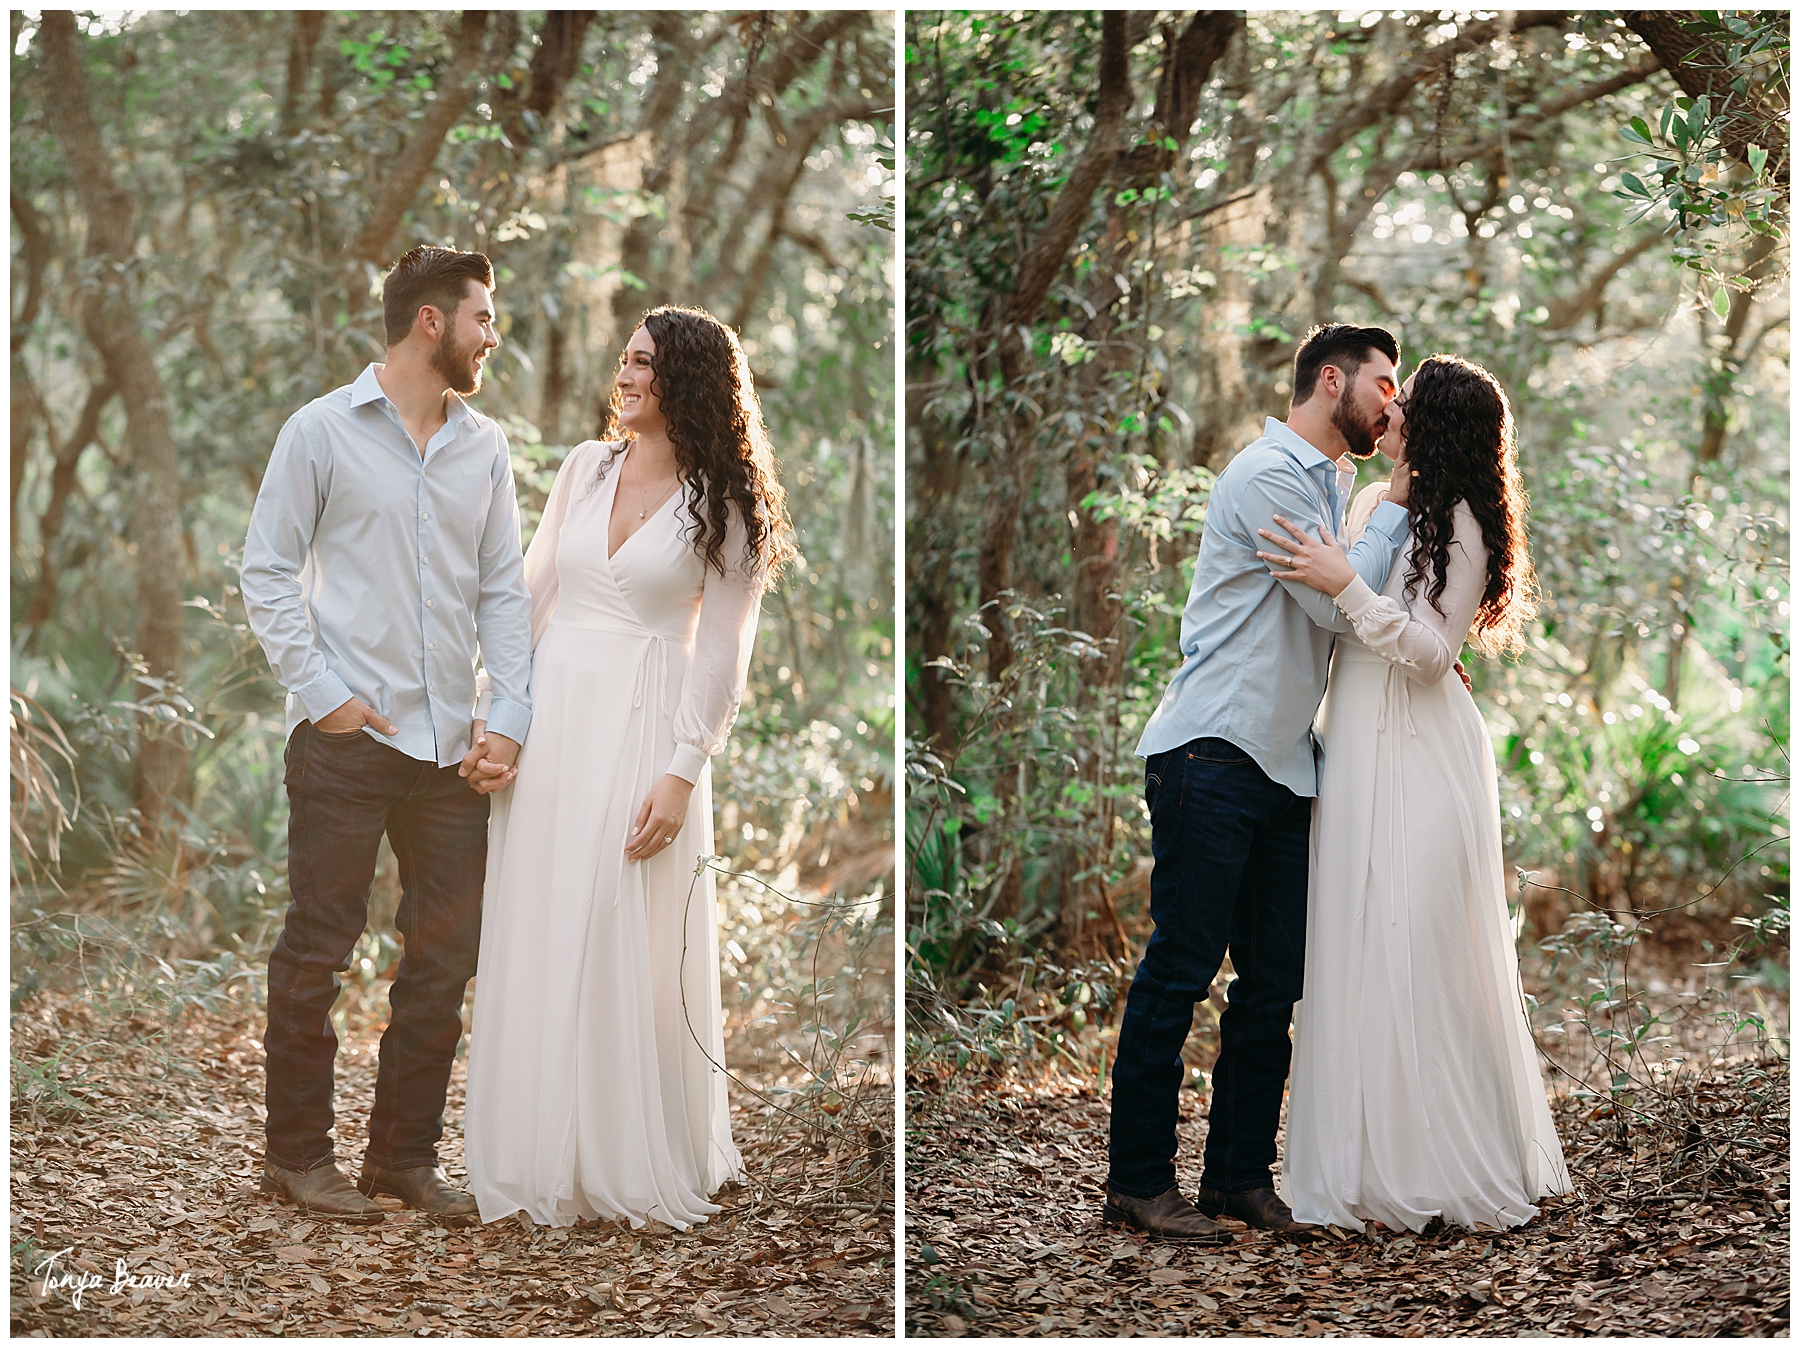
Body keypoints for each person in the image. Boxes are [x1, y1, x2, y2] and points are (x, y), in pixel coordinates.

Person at [462, 305, 792, 1230]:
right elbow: (532, 598)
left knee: (618, 924)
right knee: (541, 915)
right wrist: (499, 717)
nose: (625, 371)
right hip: (554, 723)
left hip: (647, 727)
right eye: (625, 357)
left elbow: (726, 650)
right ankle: (537, 1151)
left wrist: (684, 771)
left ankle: (622, 1148)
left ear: (685, 378)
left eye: (644, 360)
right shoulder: (583, 467)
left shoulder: (723, 502)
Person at [1105, 324, 1418, 1243]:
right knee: (1182, 969)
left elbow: (1365, 607)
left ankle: (1237, 1177)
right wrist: (1397, 499)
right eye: (1384, 383)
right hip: (1212, 752)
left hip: (1286, 766)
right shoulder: (1268, 476)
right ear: (1333, 380)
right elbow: (1335, 605)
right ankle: (1137, 1183)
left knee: (1274, 982)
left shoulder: (1332, 484)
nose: (1393, 404)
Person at [241, 245, 532, 1223]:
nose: (495, 335)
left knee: (443, 963)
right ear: (431, 322)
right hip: (345, 744)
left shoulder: (485, 448)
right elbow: (267, 569)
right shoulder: (319, 432)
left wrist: (510, 718)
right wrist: (322, 692)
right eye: (484, 317)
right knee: (319, 948)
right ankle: (297, 1159)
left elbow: (502, 590)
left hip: (453, 756)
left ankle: (401, 1159)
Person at [1255, 353, 1571, 1232]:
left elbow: (1434, 653)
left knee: (1421, 947)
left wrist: (1348, 586)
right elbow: (1337, 618)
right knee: (1356, 948)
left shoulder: (1465, 520)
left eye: (1406, 399)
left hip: (1425, 754)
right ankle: (1361, 1168)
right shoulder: (1372, 502)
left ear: (1434, 424)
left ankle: (1441, 1164)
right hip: (1354, 746)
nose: (1388, 408)